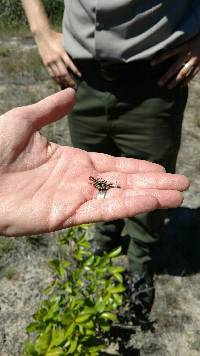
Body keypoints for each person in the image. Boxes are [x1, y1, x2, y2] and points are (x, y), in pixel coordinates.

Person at [21, 0, 199, 322]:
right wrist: (40, 30)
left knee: (146, 187)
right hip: (81, 76)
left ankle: (140, 264)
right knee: (97, 180)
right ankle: (104, 243)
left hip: (155, 82)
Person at [0, 88, 189, 237]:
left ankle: (141, 253)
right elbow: (100, 185)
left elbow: (102, 185)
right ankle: (105, 238)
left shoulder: (101, 184)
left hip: (156, 89)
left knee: (144, 192)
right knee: (106, 202)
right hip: (86, 77)